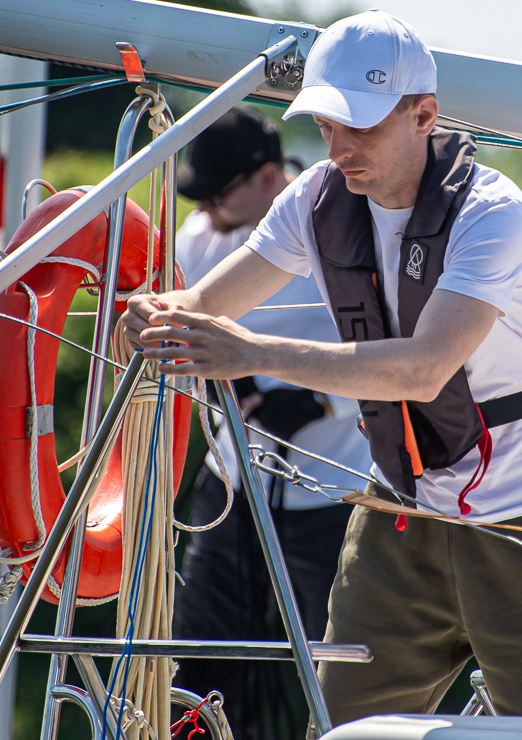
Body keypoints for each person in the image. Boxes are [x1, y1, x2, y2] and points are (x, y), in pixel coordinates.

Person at [121, 10, 522, 723]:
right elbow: (206, 302)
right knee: (344, 728)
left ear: (423, 115)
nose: (338, 146)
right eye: (325, 124)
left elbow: (425, 369)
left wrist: (254, 353)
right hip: (400, 508)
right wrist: (155, 313)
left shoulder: (493, 212)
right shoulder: (313, 200)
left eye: (359, 125)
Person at [168, 107, 372, 740]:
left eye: (215, 196)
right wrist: (217, 377)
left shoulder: (344, 229)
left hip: (331, 493)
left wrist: (317, 402)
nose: (204, 211)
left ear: (266, 179)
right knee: (196, 661)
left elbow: (391, 344)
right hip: (232, 482)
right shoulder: (199, 236)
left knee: (338, 670)